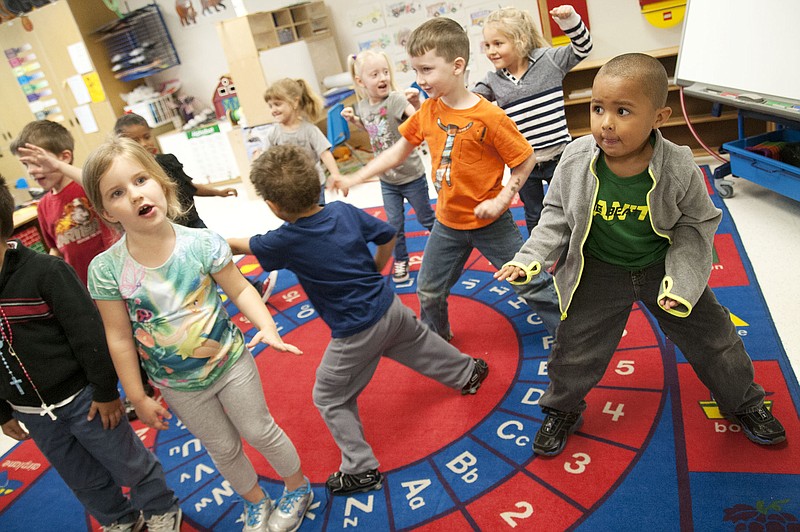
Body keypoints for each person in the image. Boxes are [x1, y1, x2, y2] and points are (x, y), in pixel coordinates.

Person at [495, 53, 786, 457]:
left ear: (659, 117)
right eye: (597, 109)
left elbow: (696, 224)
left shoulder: (679, 166)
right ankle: (561, 408)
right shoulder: (576, 159)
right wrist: (532, 257)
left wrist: (683, 283)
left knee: (716, 341)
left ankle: (745, 402)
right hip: (598, 270)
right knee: (573, 349)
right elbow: (557, 215)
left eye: (623, 111)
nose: (606, 123)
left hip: (662, 268)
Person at [228, 145, 489, 496]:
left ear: (273, 206)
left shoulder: (284, 240)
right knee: (416, 343)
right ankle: (467, 372)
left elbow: (244, 245)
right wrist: (377, 268)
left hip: (356, 331)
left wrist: (210, 242)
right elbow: (387, 234)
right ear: (317, 183)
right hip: (390, 305)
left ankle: (361, 468)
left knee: (329, 396)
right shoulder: (342, 210)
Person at [82, 138, 314, 532]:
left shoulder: (201, 243)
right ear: (105, 211)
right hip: (177, 384)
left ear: (161, 182)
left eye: (141, 180)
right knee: (222, 448)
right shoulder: (106, 269)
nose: (135, 194)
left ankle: (297, 487)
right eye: (118, 192)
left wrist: (268, 326)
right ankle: (254, 500)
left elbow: (240, 288)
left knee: (258, 429)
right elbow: (119, 336)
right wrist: (137, 395)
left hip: (229, 361)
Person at [333, 17, 562, 341]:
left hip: (491, 223)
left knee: (531, 282)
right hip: (448, 222)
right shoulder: (428, 111)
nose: (419, 79)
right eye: (415, 71)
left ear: (457, 66)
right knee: (428, 291)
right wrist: (357, 176)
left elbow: (524, 161)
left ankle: (570, 340)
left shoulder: (490, 117)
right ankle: (438, 342)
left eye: (426, 69)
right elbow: (397, 151)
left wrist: (501, 199)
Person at [0, 176, 181, 532]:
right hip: (32, 412)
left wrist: (104, 390)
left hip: (84, 399)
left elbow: (90, 336)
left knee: (128, 461)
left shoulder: (46, 273)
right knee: (80, 477)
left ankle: (161, 508)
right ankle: (119, 519)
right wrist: (2, 411)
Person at [473, 5, 592, 236]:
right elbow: (470, 101)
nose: (491, 51)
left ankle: (579, 245)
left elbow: (583, 47)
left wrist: (570, 21)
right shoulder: (493, 80)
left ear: (520, 40)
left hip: (559, 156)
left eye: (498, 44)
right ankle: (539, 259)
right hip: (523, 163)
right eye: (487, 45)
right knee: (534, 213)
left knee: (571, 206)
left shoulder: (549, 60)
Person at [342, 49, 435, 283]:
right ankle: (401, 259)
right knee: (394, 225)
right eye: (374, 74)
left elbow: (417, 122)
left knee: (426, 219)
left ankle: (448, 248)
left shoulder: (396, 99)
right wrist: (355, 121)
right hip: (387, 181)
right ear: (360, 81)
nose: (382, 78)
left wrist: (416, 102)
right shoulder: (362, 106)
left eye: (385, 72)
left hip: (411, 176)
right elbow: (373, 130)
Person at [10, 120, 117, 286]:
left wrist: (59, 166)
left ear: (65, 157)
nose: (31, 170)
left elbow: (103, 184)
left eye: (38, 161)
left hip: (116, 275)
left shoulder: (85, 186)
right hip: (84, 286)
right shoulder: (44, 206)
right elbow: (57, 249)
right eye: (26, 164)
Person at [113, 113, 238, 229]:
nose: (144, 144)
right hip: (163, 230)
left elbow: (189, 188)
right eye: (135, 141)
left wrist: (218, 192)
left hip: (192, 222)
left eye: (146, 137)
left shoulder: (168, 162)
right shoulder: (128, 176)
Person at [260, 77, 343, 206]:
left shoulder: (309, 130)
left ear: (294, 102)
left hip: (313, 185)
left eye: (277, 104)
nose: (273, 110)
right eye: (270, 106)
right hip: (287, 187)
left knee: (317, 217)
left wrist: (336, 176)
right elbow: (265, 160)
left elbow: (325, 154)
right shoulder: (273, 133)